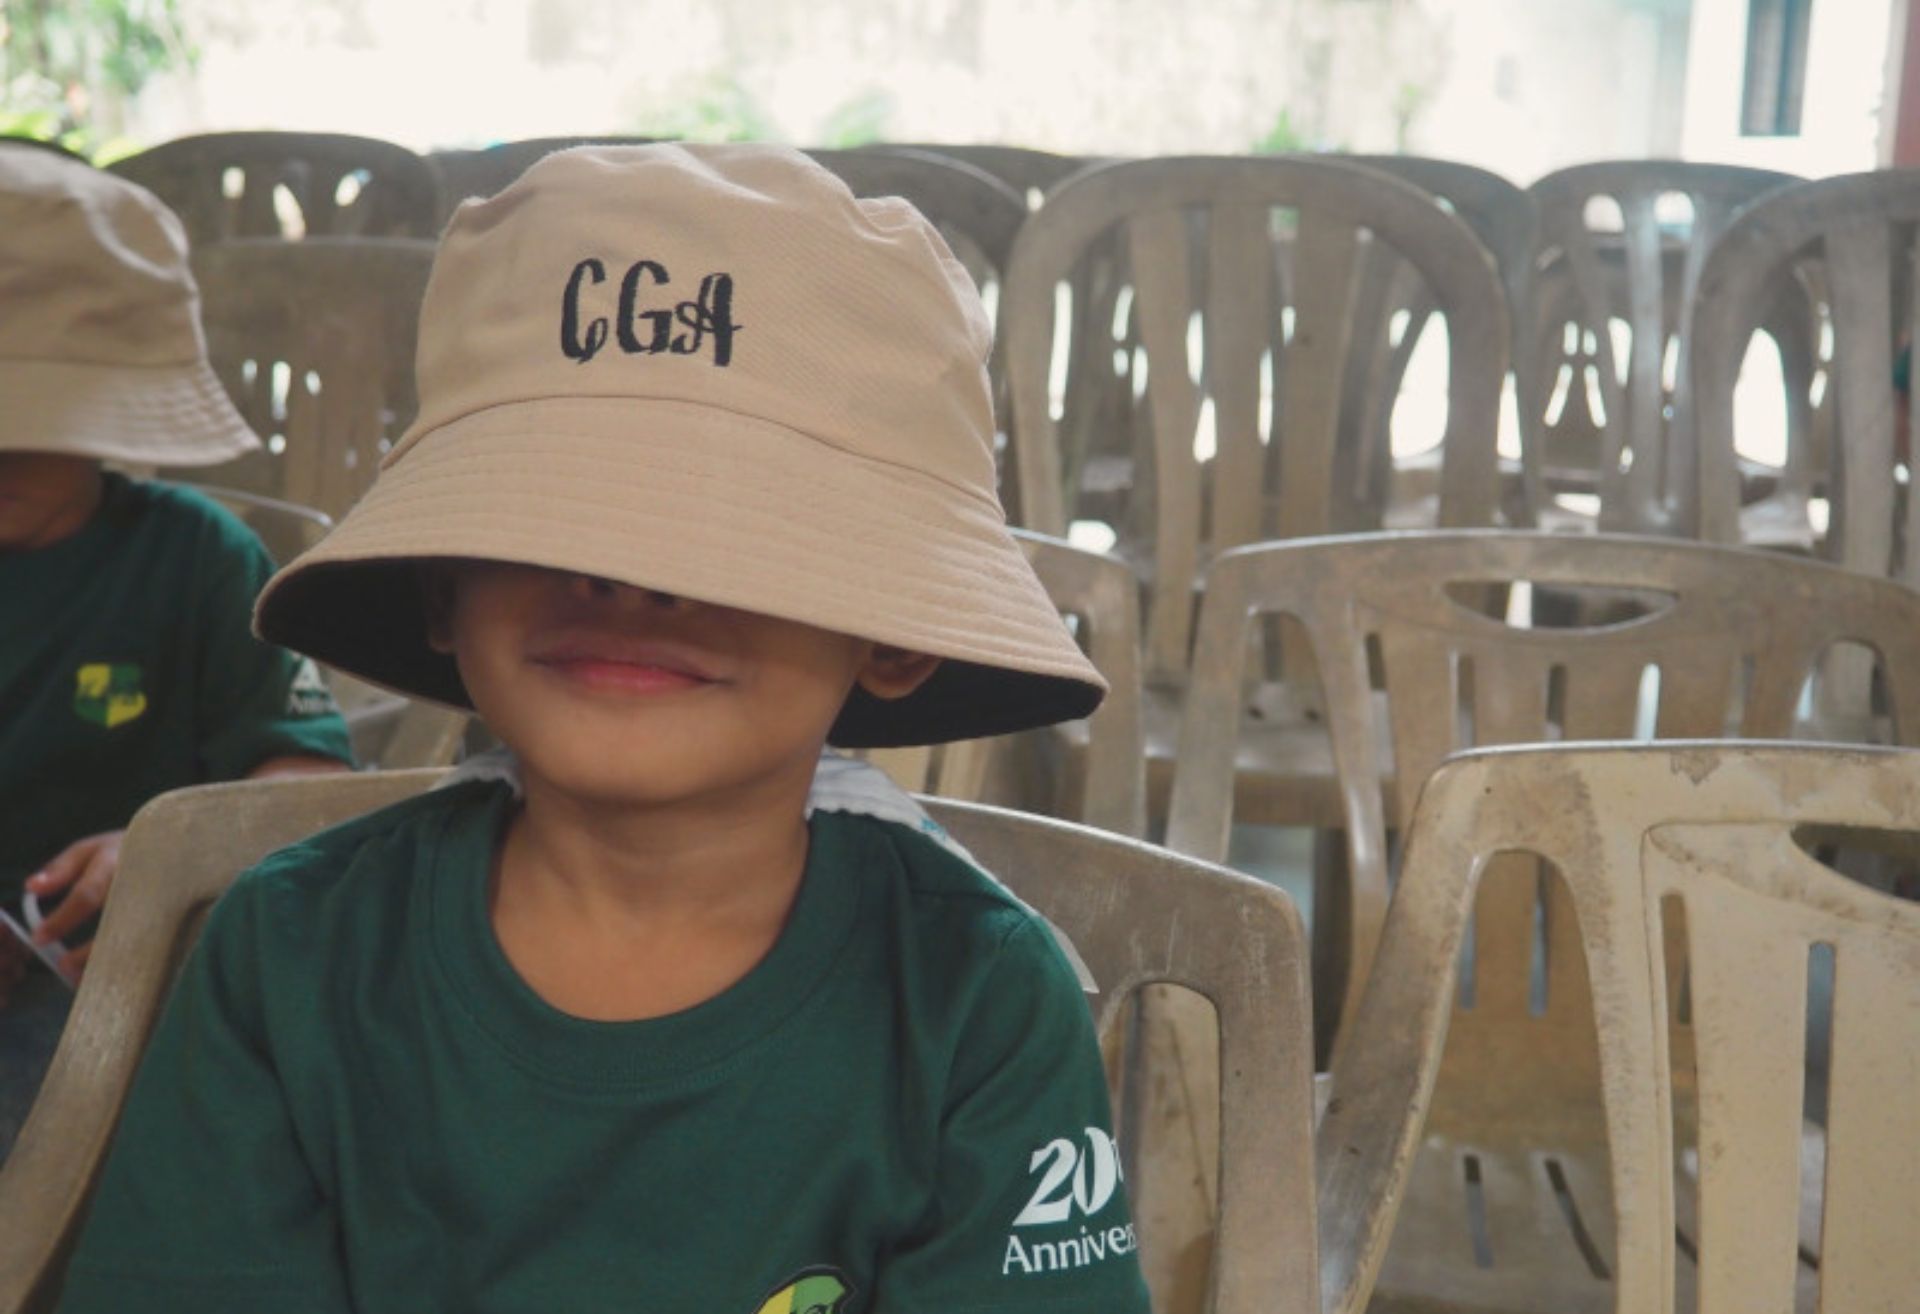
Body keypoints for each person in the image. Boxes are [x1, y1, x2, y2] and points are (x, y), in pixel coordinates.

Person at [58, 144, 1154, 1312]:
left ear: (894, 629)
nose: (631, 584)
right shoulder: (288, 958)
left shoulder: (974, 1001)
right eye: (555, 513)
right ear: (443, 584)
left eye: (737, 531)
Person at [0, 147, 355, 1154]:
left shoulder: (196, 558)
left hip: (113, 995)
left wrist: (160, 852)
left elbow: (302, 777)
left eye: (28, 423)